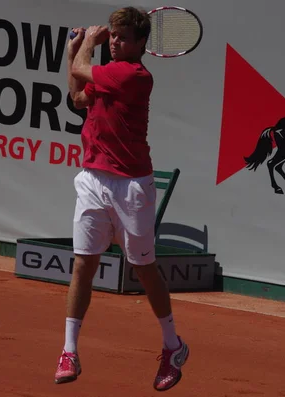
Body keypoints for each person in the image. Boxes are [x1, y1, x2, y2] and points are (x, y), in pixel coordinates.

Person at [54, 6, 189, 391]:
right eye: (112, 36)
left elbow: (85, 71)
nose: (114, 42)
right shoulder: (110, 71)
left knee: (143, 269)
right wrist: (71, 57)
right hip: (93, 178)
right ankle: (69, 350)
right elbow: (79, 97)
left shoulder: (134, 76)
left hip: (131, 187)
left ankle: (172, 346)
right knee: (84, 263)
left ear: (141, 44)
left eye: (122, 37)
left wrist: (88, 46)